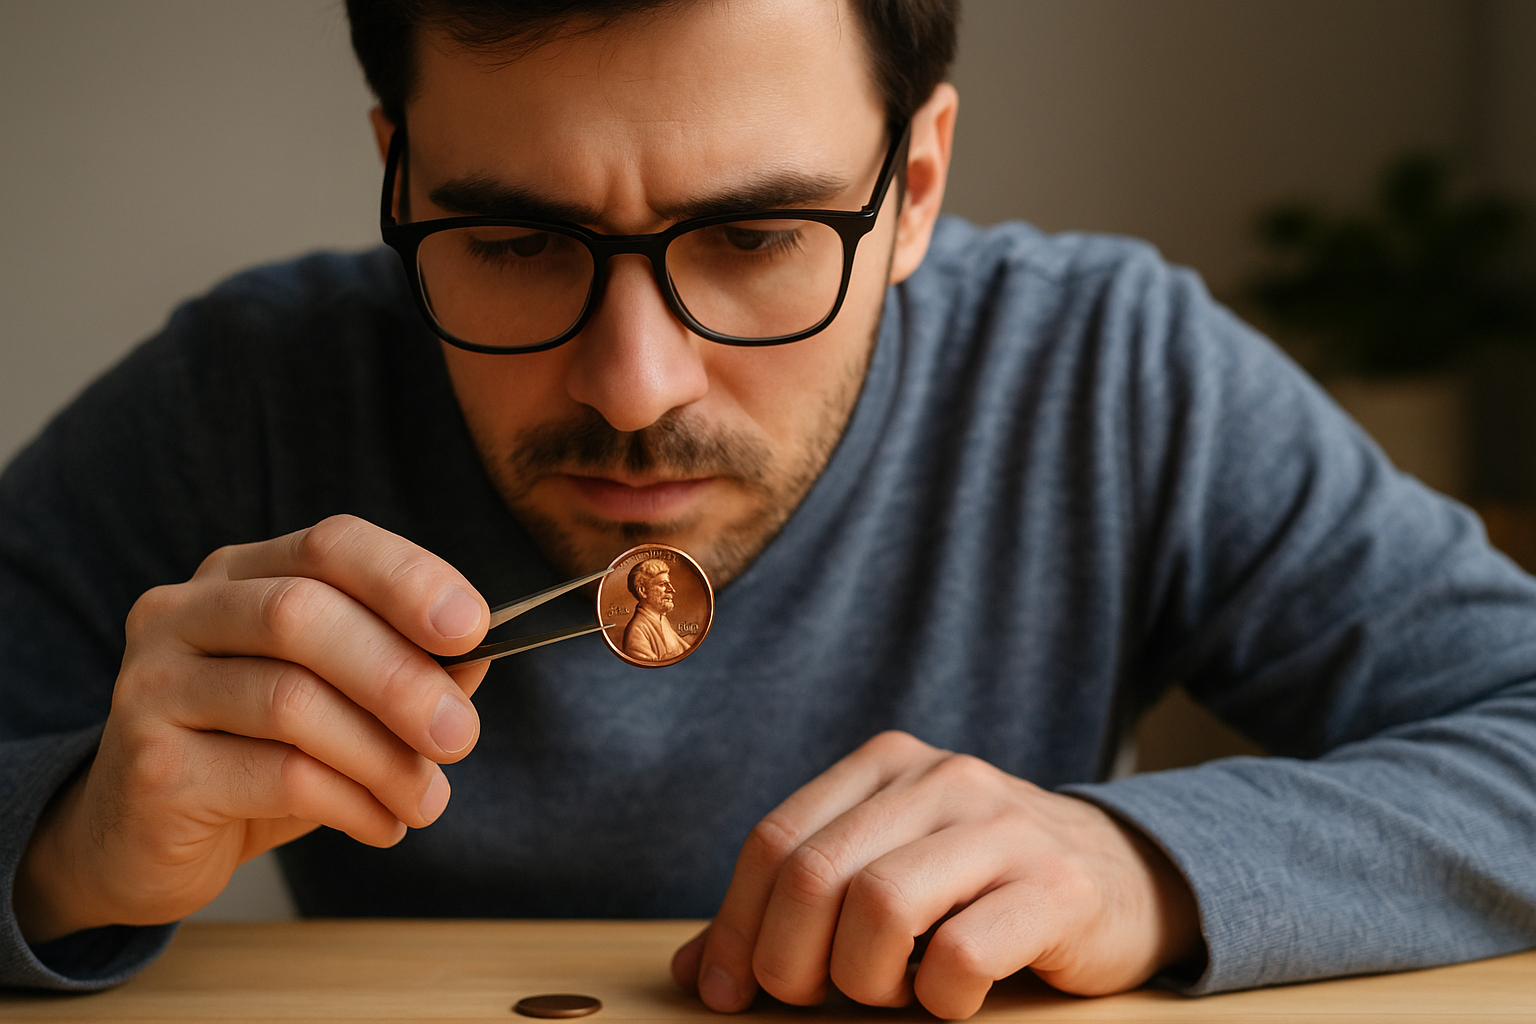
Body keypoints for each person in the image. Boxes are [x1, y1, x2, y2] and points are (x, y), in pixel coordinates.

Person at [2, 0, 1534, 1014]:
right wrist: (71, 845)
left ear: (915, 187)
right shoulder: (248, 392)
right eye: (517, 243)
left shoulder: (1107, 373)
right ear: (398, 178)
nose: (632, 385)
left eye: (754, 236)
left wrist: (1133, 863)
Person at [621, 560, 691, 663]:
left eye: (669, 584)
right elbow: (650, 665)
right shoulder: (637, 631)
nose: (671, 589)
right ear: (643, 591)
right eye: (662, 584)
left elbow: (685, 649)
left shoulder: (662, 619)